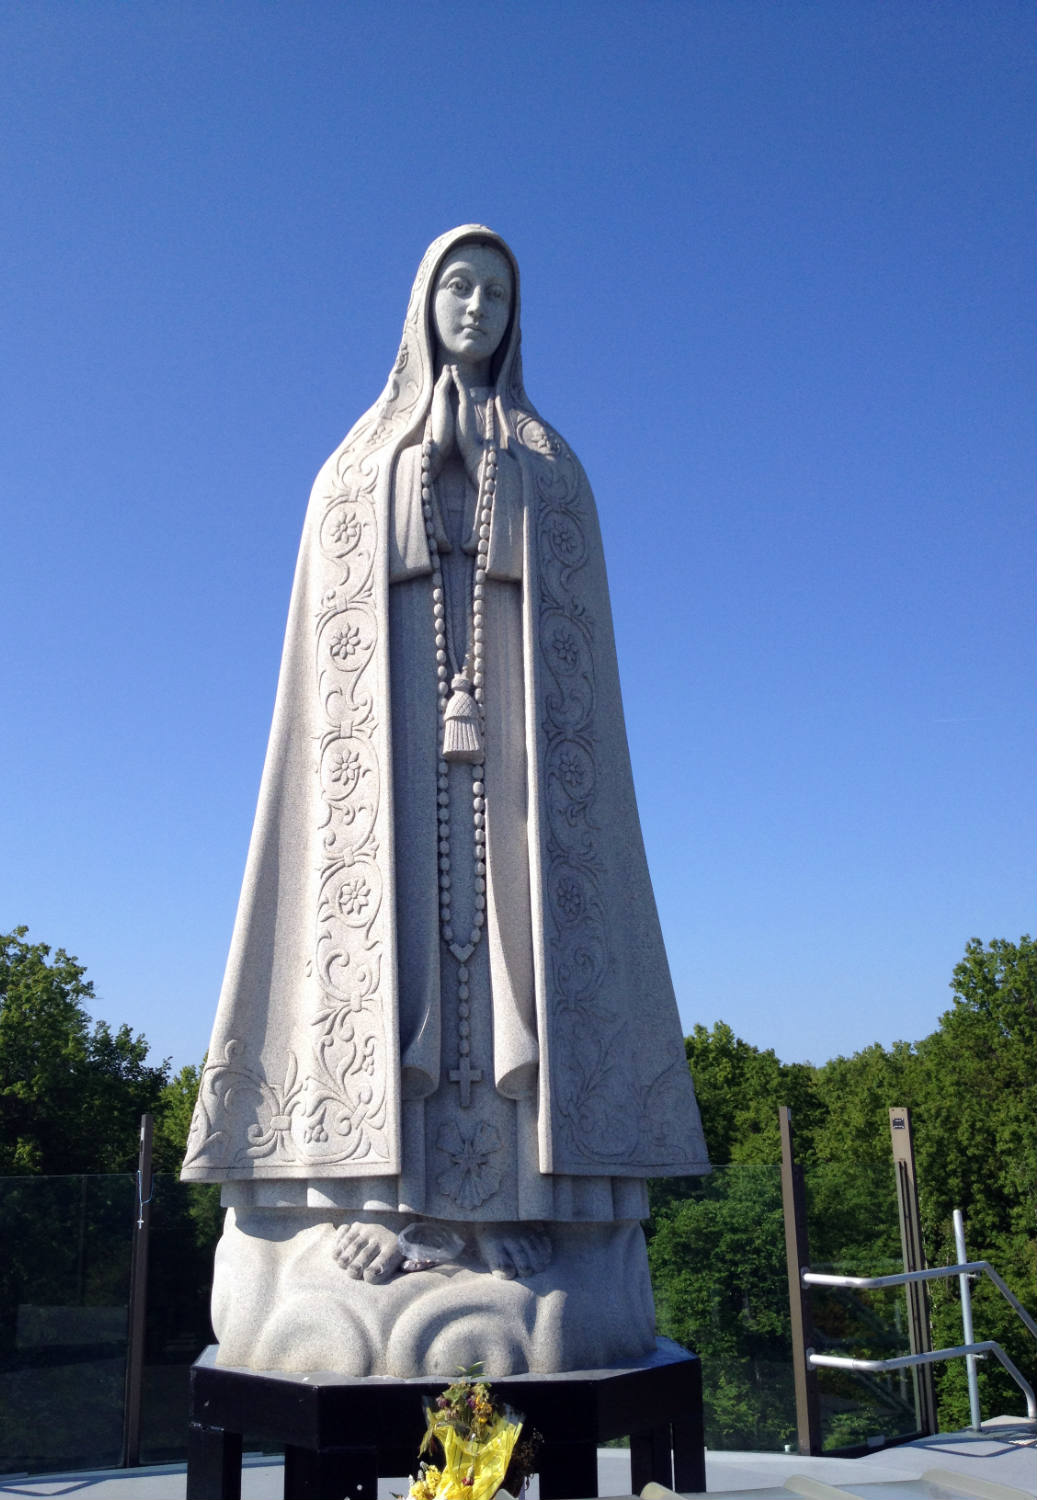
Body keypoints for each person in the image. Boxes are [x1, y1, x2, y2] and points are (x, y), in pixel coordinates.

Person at [182, 226, 707, 1375]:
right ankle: (383, 1204)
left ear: (520, 316)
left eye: (498, 292)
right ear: (423, 304)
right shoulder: (355, 461)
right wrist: (413, 476)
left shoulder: (550, 460)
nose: (477, 308)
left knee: (509, 968)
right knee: (395, 963)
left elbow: (574, 633)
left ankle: (511, 1204)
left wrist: (503, 482)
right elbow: (330, 633)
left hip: (512, 768)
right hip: (402, 755)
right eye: (458, 287)